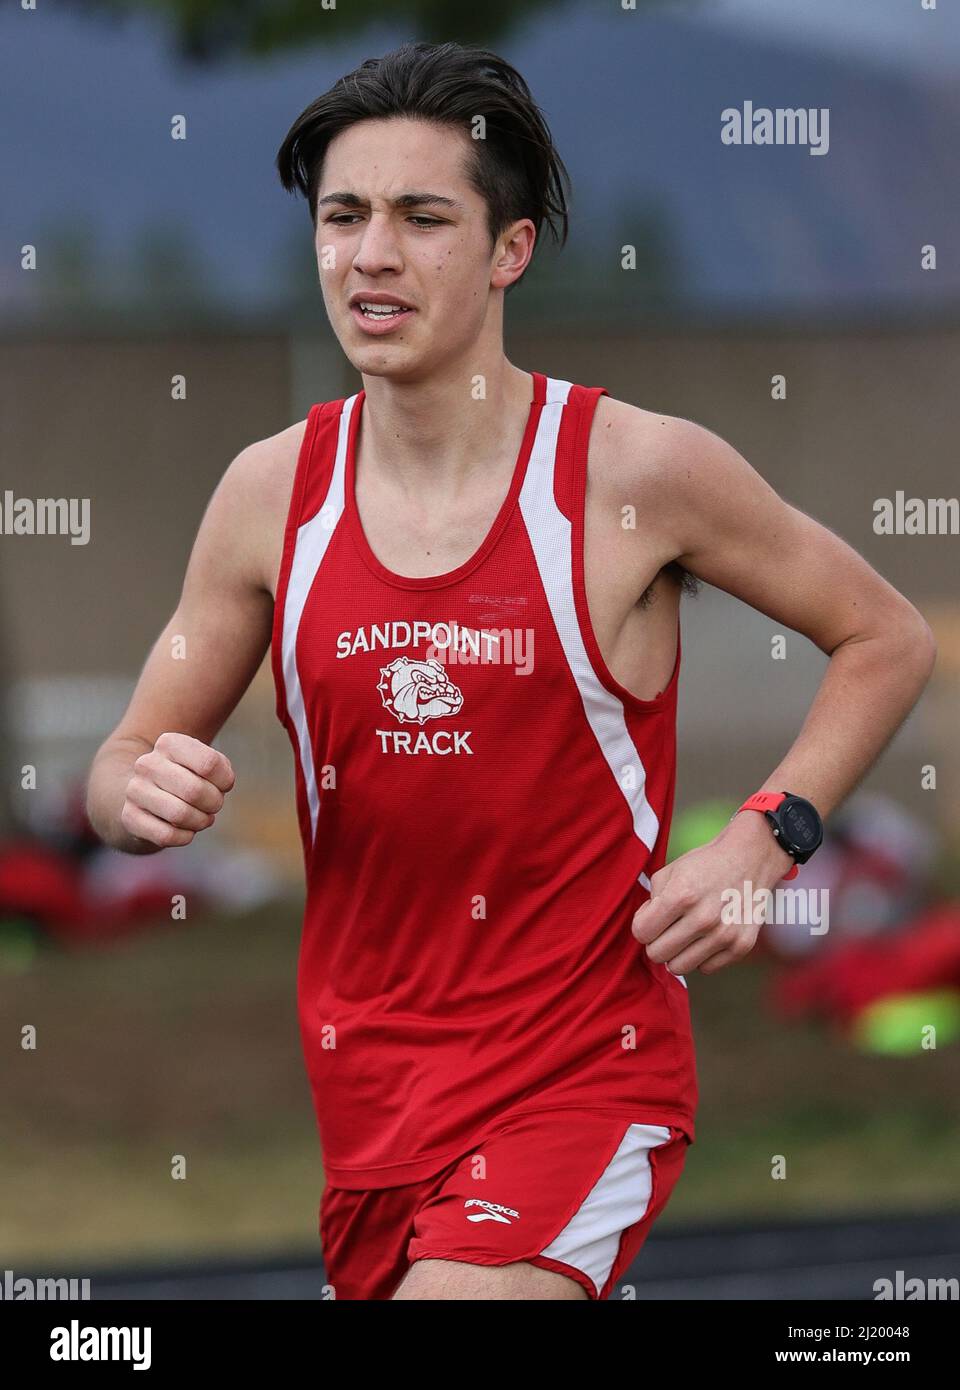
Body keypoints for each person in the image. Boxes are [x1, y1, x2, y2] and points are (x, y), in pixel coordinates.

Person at [85, 41, 937, 1300]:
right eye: (343, 216)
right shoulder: (269, 495)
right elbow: (117, 764)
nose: (373, 254)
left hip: (582, 1075)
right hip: (370, 1103)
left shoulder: (637, 474)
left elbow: (887, 635)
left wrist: (767, 837)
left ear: (509, 251)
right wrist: (135, 796)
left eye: (423, 217)